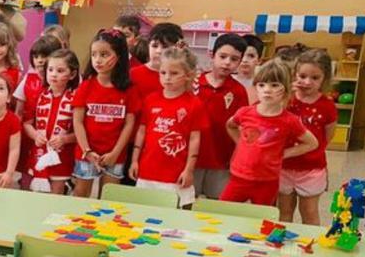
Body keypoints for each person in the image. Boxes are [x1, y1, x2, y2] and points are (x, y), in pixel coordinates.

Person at [221, 60, 318, 206]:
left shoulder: (289, 121)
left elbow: (312, 143)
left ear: (285, 89)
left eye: (274, 85)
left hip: (267, 182)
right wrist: (241, 142)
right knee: (223, 211)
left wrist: (284, 153)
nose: (267, 90)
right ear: (256, 88)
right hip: (238, 178)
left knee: (263, 219)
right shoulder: (245, 113)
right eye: (262, 85)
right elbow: (230, 125)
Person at [129, 48, 207, 207]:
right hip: (147, 171)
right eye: (163, 73)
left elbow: (194, 139)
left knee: (174, 213)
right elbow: (142, 131)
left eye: (174, 73)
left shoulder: (194, 104)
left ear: (188, 75)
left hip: (175, 173)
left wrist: (189, 170)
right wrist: (134, 161)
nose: (167, 78)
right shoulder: (151, 100)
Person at [72, 29, 140, 198]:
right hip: (86, 153)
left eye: (104, 54)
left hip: (115, 155)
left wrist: (115, 153)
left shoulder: (128, 89)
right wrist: (87, 151)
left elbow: (129, 124)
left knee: (109, 198)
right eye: (94, 54)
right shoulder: (86, 86)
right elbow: (78, 122)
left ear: (119, 56)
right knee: (80, 195)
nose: (98, 60)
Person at [279, 49, 339, 224]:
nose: (307, 82)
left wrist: (309, 151)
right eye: (302, 76)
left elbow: (327, 137)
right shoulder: (287, 99)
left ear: (324, 79)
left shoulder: (327, 105)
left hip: (311, 169)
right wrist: (286, 94)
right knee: (284, 210)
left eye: (315, 78)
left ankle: (312, 247)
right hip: (283, 165)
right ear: (294, 74)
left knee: (309, 212)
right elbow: (273, 117)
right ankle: (280, 244)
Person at [194, 33, 249, 200]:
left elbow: (242, 127)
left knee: (218, 205)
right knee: (186, 203)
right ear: (212, 54)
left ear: (240, 62)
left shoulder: (239, 91)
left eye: (234, 59)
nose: (227, 63)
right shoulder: (193, 83)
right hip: (192, 158)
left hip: (222, 161)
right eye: (223, 56)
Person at [26, 48, 79, 194]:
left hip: (62, 156)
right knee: (37, 193)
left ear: (72, 74)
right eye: (50, 69)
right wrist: (35, 135)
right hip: (39, 151)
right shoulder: (39, 95)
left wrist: (65, 139)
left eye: (60, 71)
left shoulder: (76, 98)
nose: (54, 74)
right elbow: (27, 123)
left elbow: (82, 131)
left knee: (57, 194)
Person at [129, 22, 184, 101]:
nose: (159, 51)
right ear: (148, 45)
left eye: (165, 46)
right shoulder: (133, 74)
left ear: (178, 48)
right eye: (154, 46)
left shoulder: (182, 76)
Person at [236, 34, 265, 103]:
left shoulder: (263, 85)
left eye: (251, 56)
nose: (245, 60)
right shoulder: (227, 81)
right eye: (242, 55)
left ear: (259, 60)